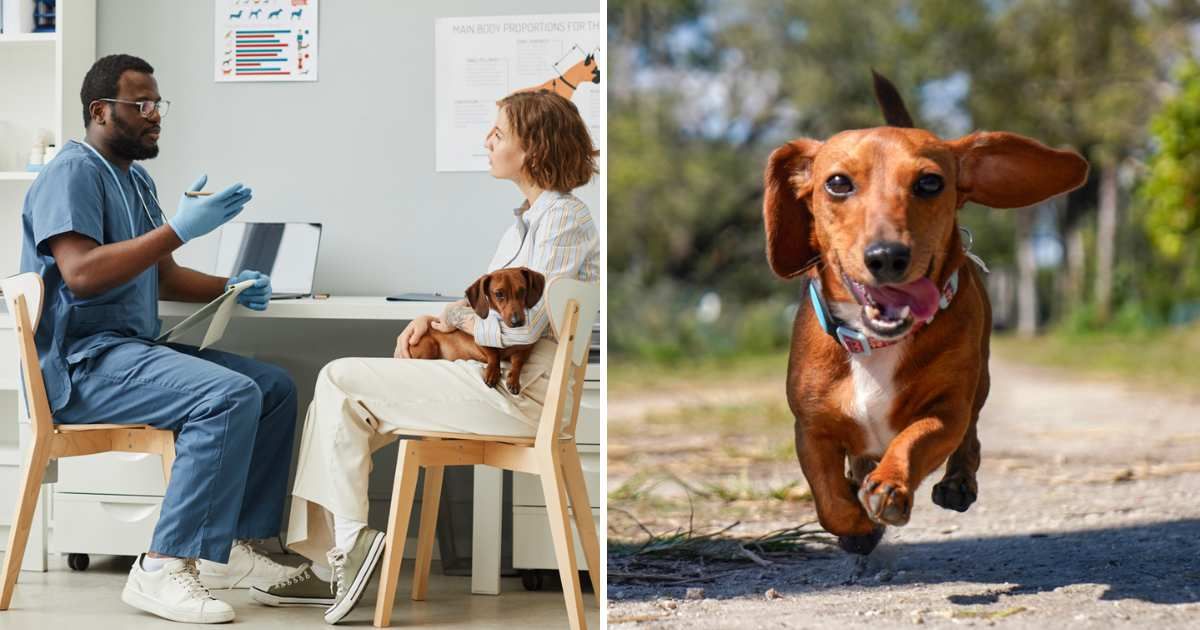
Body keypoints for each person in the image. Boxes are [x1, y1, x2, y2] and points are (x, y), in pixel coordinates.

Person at [248, 90, 600, 624]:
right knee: (337, 402)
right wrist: (437, 317)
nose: (487, 141)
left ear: (531, 149)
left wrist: (452, 318)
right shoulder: (528, 222)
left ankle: (343, 552)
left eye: (499, 133)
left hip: (520, 394)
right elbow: (488, 304)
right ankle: (336, 555)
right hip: (501, 385)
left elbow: (522, 324)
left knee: (339, 380)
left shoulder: (563, 220)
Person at [18, 54, 302, 624]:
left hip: (128, 354)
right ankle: (161, 566)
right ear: (101, 111)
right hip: (82, 365)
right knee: (226, 396)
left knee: (271, 387)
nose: (154, 116)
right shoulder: (73, 172)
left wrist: (232, 285)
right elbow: (80, 272)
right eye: (140, 105)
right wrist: (177, 228)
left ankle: (235, 551)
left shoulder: (136, 179)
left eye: (157, 105)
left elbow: (164, 275)